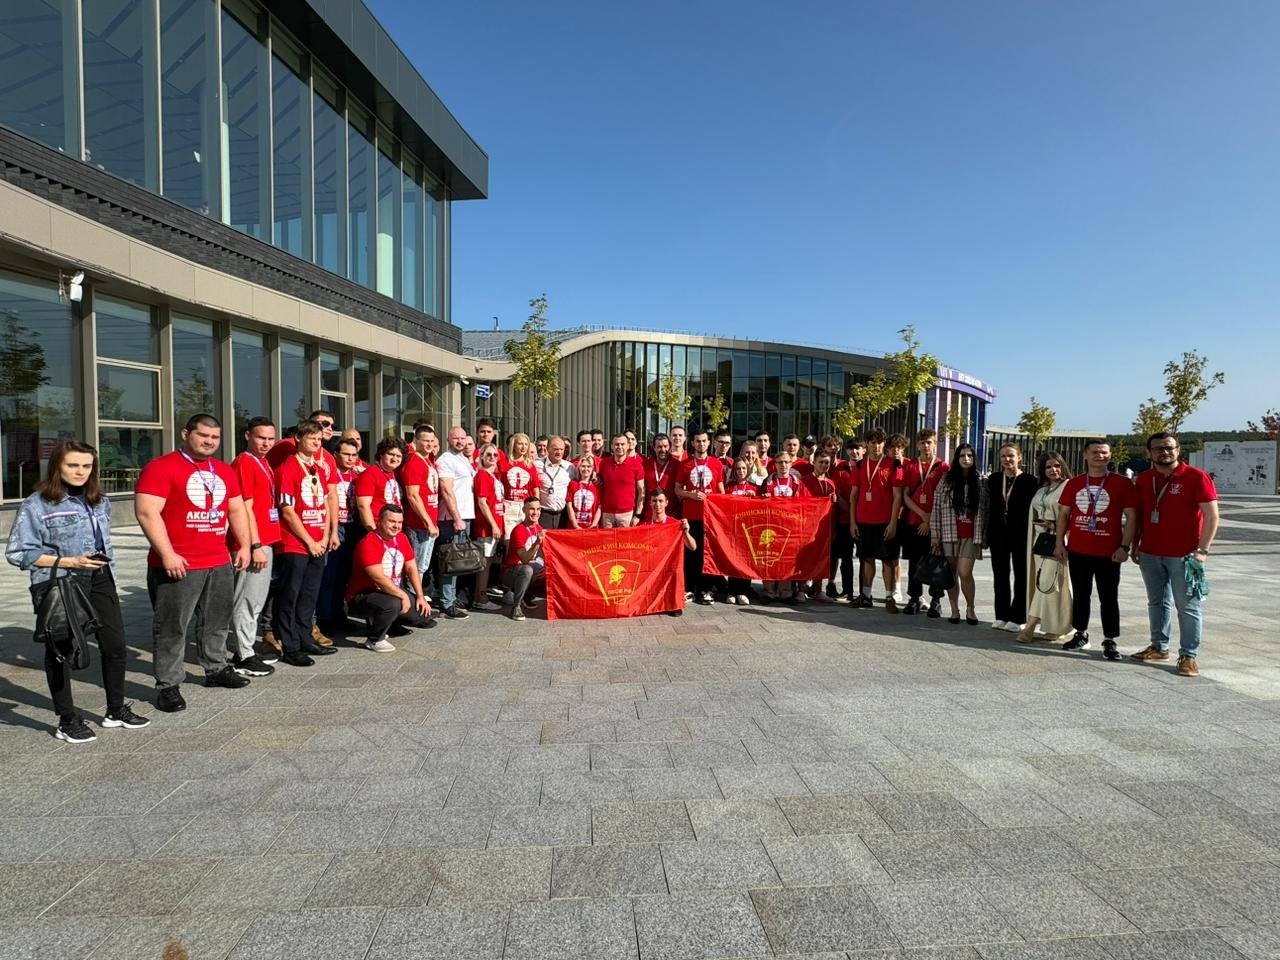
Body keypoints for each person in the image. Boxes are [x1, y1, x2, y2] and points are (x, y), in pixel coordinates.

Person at [6, 441, 150, 741]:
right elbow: (18, 552)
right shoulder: (37, 504)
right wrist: (69, 561)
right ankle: (67, 719)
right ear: (57, 466)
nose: (80, 471)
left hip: (100, 578)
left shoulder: (99, 499)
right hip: (61, 582)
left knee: (115, 646)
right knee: (60, 650)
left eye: (86, 466)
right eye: (73, 465)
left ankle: (115, 710)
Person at [135, 414, 252, 711]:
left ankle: (216, 668)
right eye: (203, 435)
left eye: (215, 437)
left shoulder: (223, 470)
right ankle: (168, 684)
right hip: (179, 563)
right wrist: (167, 554)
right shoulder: (161, 467)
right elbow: (147, 512)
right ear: (186, 434)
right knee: (172, 626)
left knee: (217, 620)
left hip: (218, 560)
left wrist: (244, 545)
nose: (209, 442)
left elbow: (236, 510)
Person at [1129, 432, 1219, 677]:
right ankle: (1159, 647)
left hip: (1185, 556)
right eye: (1158, 448)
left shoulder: (1196, 477)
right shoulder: (1144, 479)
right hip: (1150, 553)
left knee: (1187, 606)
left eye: (1169, 447)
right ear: (1149, 453)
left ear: (1178, 450)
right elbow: (1140, 515)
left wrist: (1202, 550)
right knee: (1157, 602)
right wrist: (1136, 545)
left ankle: (1189, 655)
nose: (1164, 452)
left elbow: (1212, 516)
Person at [1054, 438, 1137, 661]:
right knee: (1081, 595)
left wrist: (1125, 547)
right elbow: (1063, 514)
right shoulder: (1074, 483)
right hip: (1078, 550)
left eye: (1104, 452)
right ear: (1085, 455)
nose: (1100, 456)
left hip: (1109, 552)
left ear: (1110, 455)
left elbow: (1131, 517)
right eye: (1095, 452)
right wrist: (1059, 543)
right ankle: (1080, 633)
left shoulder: (1122, 483)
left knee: (1109, 597)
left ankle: (1110, 640)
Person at [273, 419, 340, 667]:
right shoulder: (287, 468)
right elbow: (287, 510)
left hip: (317, 541)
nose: (316, 442)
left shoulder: (318, 470)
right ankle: (289, 645)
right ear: (299, 438)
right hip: (295, 543)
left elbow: (325, 504)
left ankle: (304, 637)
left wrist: (325, 535)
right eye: (312, 438)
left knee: (309, 594)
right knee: (290, 594)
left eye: (319, 439)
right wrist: (310, 541)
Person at [226, 417, 279, 677]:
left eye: (270, 438)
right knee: (247, 599)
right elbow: (244, 508)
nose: (266, 443)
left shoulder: (263, 462)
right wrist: (254, 544)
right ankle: (243, 655)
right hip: (252, 543)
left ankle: (245, 649)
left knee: (255, 600)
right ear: (248, 436)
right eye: (261, 438)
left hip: (265, 539)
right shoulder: (244, 463)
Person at [346, 504, 433, 651]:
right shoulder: (369, 542)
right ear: (379, 521)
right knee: (393, 604)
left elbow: (411, 568)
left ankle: (389, 622)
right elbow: (379, 579)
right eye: (391, 521)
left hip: (391, 589)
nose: (396, 526)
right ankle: (374, 639)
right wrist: (403, 596)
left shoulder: (402, 538)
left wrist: (420, 596)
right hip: (364, 593)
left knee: (421, 616)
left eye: (399, 522)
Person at [930, 442, 987, 625]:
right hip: (949, 532)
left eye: (969, 456)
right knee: (952, 573)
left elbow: (986, 511)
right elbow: (936, 507)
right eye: (962, 455)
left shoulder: (980, 481)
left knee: (965, 572)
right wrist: (935, 534)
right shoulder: (946, 479)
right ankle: (954, 609)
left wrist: (985, 536)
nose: (966, 459)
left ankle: (970, 608)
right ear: (957, 458)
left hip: (971, 534)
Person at [1018, 452, 1073, 644]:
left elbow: (1071, 515)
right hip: (1040, 541)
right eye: (1048, 467)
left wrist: (1054, 525)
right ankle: (1054, 627)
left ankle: (1030, 625)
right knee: (1046, 584)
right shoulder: (1042, 489)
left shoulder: (1068, 486)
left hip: (1058, 541)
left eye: (1057, 465)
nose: (1053, 470)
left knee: (1047, 583)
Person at [315, 436, 364, 637]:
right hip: (334, 527)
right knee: (329, 575)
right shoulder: (329, 473)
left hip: (352, 527)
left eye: (354, 455)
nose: (351, 459)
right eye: (346, 454)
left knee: (343, 576)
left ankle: (339, 614)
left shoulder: (357, 474)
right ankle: (324, 618)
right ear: (335, 454)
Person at [849, 428, 903, 610]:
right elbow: (853, 496)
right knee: (866, 559)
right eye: (872, 442)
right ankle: (866, 595)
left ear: (884, 444)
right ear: (867, 444)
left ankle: (889, 597)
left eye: (879, 442)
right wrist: (852, 522)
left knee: (888, 560)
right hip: (864, 520)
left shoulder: (893, 464)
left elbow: (897, 497)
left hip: (885, 521)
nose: (876, 446)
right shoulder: (858, 466)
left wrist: (893, 523)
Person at [985, 444, 1038, 632]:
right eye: (1003, 456)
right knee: (1000, 574)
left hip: (1021, 533)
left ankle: (1018, 616)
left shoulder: (1030, 481)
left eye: (1011, 456)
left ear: (1019, 457)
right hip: (998, 533)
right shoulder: (993, 479)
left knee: (1021, 574)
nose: (1007, 460)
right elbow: (988, 507)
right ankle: (1001, 614)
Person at [900, 429, 947, 617]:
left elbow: (944, 498)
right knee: (914, 562)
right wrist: (922, 515)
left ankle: (936, 600)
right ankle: (914, 598)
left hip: (936, 524)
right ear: (917, 445)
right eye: (922, 442)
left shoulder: (943, 467)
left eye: (929, 442)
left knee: (936, 562)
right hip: (914, 521)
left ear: (935, 444)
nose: (926, 446)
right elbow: (905, 495)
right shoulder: (910, 466)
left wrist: (930, 520)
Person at [676, 429, 726, 604]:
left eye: (704, 441)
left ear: (709, 443)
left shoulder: (716, 464)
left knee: (707, 554)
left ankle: (706, 589)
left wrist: (715, 503)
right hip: (691, 515)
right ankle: (689, 588)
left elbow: (721, 492)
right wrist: (691, 494)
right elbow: (677, 490)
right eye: (698, 441)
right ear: (692, 443)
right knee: (691, 552)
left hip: (710, 517)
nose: (701, 444)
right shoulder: (685, 464)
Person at [435, 426, 476, 619]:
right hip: (452, 518)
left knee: (458, 562)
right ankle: (446, 603)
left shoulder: (462, 458)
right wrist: (457, 517)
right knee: (450, 561)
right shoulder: (446, 460)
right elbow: (446, 490)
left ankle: (450, 598)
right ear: (448, 439)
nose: (460, 441)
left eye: (462, 438)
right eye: (455, 438)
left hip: (464, 516)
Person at [399, 424, 441, 604]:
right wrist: (428, 522)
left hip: (429, 523)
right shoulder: (414, 462)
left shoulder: (427, 460)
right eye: (425, 441)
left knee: (422, 566)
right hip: (418, 525)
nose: (429, 444)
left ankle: (418, 601)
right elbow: (413, 496)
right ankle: (413, 603)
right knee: (415, 567)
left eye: (432, 441)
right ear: (416, 441)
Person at [762, 450, 808, 604]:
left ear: (791, 464)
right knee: (769, 558)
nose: (783, 465)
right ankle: (768, 592)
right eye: (780, 462)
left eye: (786, 462)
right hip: (771, 525)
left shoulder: (797, 482)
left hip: (789, 527)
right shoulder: (768, 481)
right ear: (775, 465)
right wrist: (764, 499)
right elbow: (759, 501)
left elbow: (807, 503)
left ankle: (786, 592)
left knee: (787, 559)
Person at [471, 443, 506, 612]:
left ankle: (480, 596)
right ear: (482, 457)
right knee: (484, 564)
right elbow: (482, 502)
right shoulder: (483, 475)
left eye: (495, 455)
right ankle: (481, 598)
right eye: (488, 455)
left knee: (489, 562)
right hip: (486, 527)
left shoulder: (493, 476)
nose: (492, 457)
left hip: (496, 524)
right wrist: (493, 525)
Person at [723, 458, 761, 605]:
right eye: (738, 468)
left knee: (746, 560)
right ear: (734, 470)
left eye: (744, 468)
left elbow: (761, 508)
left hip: (748, 530)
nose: (741, 471)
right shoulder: (728, 487)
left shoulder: (755, 488)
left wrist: (755, 498)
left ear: (748, 470)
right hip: (732, 528)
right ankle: (731, 590)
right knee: (733, 559)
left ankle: (743, 590)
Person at [802, 452, 838, 601]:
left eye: (826, 463)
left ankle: (818, 589)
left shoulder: (831, 483)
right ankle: (801, 588)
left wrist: (834, 500)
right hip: (808, 526)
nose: (824, 465)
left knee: (822, 556)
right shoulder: (804, 481)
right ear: (814, 463)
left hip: (825, 526)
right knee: (805, 557)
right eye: (821, 462)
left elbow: (832, 508)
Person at [504, 499, 546, 621]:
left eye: (538, 509)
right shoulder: (519, 530)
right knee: (527, 570)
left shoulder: (539, 528)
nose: (535, 513)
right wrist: (537, 543)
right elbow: (525, 559)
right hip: (512, 572)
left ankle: (527, 594)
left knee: (548, 568)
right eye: (531, 509)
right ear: (524, 510)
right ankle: (516, 606)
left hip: (529, 568)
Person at [355, 437, 405, 533]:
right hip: (376, 529)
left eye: (398, 456)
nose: (394, 459)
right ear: (381, 454)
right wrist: (373, 533)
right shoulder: (370, 473)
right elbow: (363, 506)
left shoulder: (396, 474)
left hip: (394, 529)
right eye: (390, 454)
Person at [599, 433, 645, 528]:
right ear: (612, 446)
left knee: (625, 538)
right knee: (607, 538)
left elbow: (642, 491)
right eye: (617, 444)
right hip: (607, 513)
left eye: (622, 444)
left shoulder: (636, 465)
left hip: (626, 514)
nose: (619, 447)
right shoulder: (604, 463)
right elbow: (600, 483)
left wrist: (638, 514)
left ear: (627, 446)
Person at [502, 432, 541, 534]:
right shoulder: (504, 463)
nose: (523, 447)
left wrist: (536, 510)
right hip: (509, 505)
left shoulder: (530, 466)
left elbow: (535, 490)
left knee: (526, 536)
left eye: (526, 444)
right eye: (520, 444)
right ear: (513, 445)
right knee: (508, 537)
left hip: (525, 505)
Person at [536, 435, 573, 530]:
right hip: (544, 514)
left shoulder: (570, 468)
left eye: (561, 449)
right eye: (556, 449)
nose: (559, 452)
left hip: (563, 515)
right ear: (548, 449)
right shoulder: (537, 465)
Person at [643, 433, 678, 523]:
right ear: (654, 448)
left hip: (671, 514)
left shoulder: (677, 465)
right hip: (649, 514)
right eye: (659, 447)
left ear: (670, 447)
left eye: (665, 446)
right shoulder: (646, 464)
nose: (663, 450)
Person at [567, 454, 602, 529]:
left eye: (588, 466)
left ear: (592, 468)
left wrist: (593, 525)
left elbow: (599, 508)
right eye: (583, 466)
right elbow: (569, 506)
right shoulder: (573, 484)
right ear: (579, 468)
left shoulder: (597, 487)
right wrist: (575, 525)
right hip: (574, 527)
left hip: (591, 527)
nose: (585, 469)